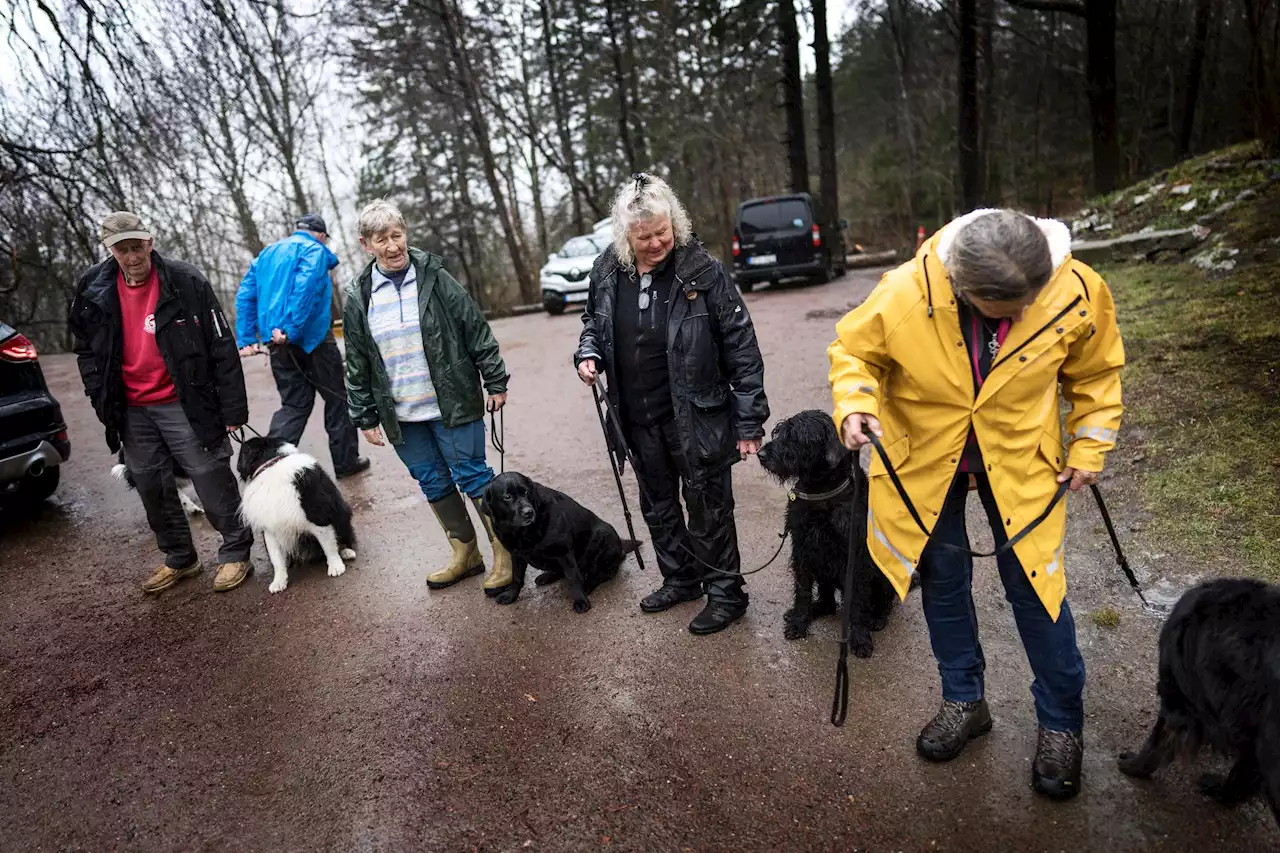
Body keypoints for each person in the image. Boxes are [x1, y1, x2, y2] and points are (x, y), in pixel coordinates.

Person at [828, 208, 1125, 799]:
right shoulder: (905, 291)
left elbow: (1096, 372)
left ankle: (1062, 724)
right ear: (964, 288)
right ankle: (964, 699)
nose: (1020, 317)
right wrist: (856, 402)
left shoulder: (1076, 287)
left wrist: (1090, 442)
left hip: (1020, 460)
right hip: (927, 461)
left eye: (1027, 303)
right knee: (942, 581)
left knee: (1036, 587)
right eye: (1005, 311)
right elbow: (854, 353)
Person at [574, 173, 769, 636]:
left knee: (708, 507)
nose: (656, 242)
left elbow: (741, 346)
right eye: (644, 237)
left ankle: (726, 594)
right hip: (635, 417)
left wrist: (749, 422)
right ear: (625, 236)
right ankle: (681, 578)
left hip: (695, 415)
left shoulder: (702, 270)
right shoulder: (606, 270)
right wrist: (588, 352)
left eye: (662, 232)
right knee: (658, 505)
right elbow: (592, 323)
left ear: (674, 224)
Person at [68, 211, 256, 594]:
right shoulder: (92, 287)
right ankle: (180, 558)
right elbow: (85, 348)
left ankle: (235, 551)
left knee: (210, 475)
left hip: (184, 400)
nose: (133, 256)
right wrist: (98, 394)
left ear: (150, 242)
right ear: (110, 250)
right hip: (131, 407)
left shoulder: (185, 281)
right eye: (123, 249)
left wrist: (233, 410)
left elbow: (222, 346)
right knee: (150, 483)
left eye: (138, 246)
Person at [342, 199, 513, 595]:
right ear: (367, 245)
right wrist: (364, 416)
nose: (392, 246)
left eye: (397, 235)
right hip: (400, 411)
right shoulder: (359, 295)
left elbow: (475, 327)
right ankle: (465, 554)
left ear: (406, 234)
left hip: (451, 401)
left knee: (472, 475)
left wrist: (495, 379)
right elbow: (357, 360)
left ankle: (505, 552)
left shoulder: (434, 278)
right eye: (381, 239)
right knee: (432, 481)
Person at [235, 214, 368, 479]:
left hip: (277, 343)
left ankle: (267, 464)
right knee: (337, 400)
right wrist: (291, 329)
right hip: (313, 339)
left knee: (295, 404)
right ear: (320, 234)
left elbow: (245, 295)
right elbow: (304, 289)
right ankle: (345, 462)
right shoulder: (313, 250)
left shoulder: (266, 255)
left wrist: (247, 338)